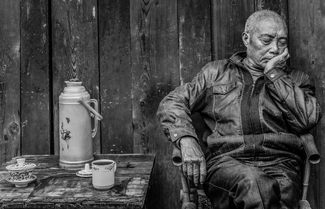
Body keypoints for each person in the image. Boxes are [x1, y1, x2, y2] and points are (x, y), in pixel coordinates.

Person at [156, 10, 321, 209]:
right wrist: (186, 138)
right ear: (246, 38)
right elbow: (173, 101)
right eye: (267, 40)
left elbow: (308, 119)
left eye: (282, 42)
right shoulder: (216, 74)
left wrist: (274, 74)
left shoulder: (297, 80)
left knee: (270, 188)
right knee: (253, 181)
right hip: (226, 165)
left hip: (281, 165)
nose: (275, 49)